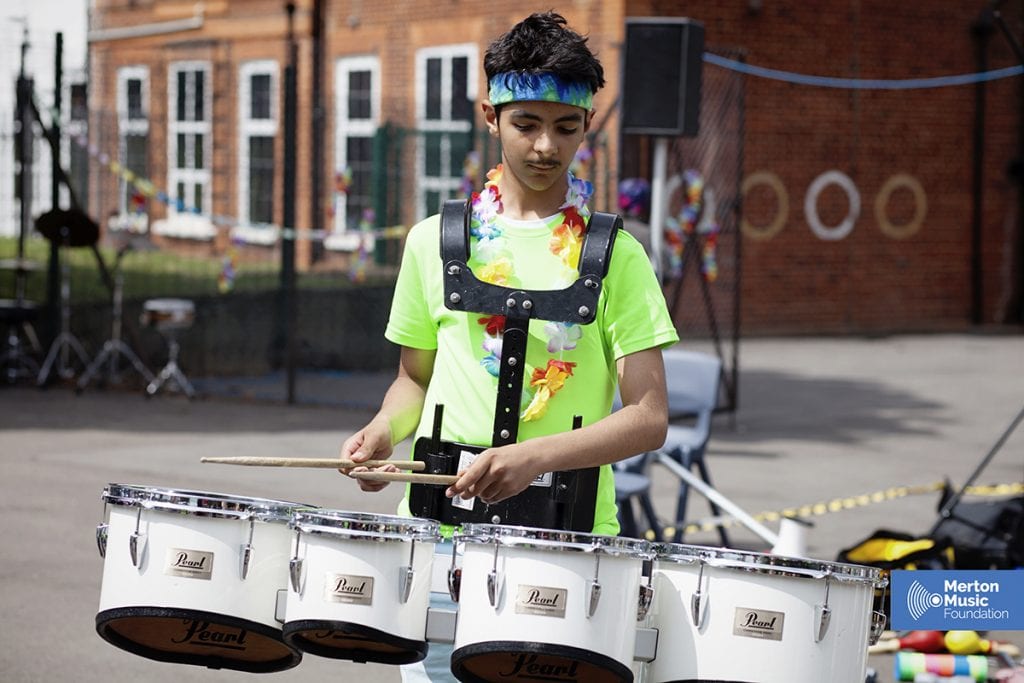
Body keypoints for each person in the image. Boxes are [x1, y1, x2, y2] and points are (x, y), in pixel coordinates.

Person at [340, 10, 679, 681]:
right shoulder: (432, 242)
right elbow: (413, 381)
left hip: (570, 551)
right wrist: (382, 432)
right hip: (439, 550)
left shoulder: (618, 255)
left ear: (587, 125)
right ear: (489, 115)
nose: (546, 146)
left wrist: (533, 457)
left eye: (566, 126)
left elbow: (649, 415)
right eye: (526, 123)